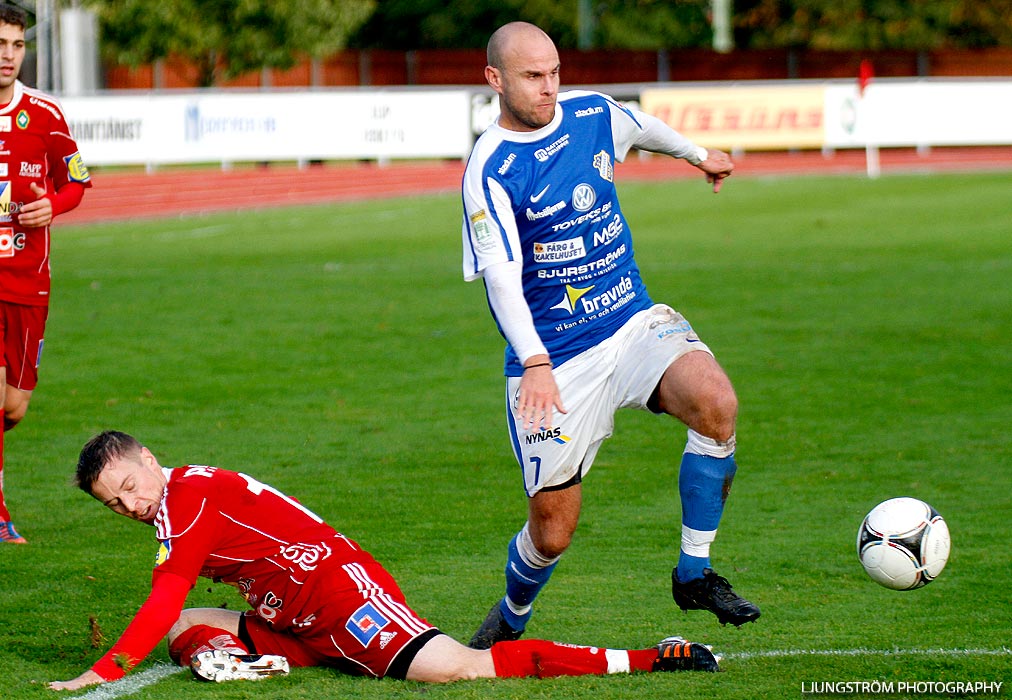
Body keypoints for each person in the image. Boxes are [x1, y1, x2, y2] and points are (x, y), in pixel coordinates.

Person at [459, 22, 760, 649]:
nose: (549, 88)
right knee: (553, 534)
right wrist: (535, 361)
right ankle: (513, 613)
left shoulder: (591, 113)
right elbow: (502, 280)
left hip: (631, 321)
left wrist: (698, 155)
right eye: (533, 77)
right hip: (556, 361)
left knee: (716, 403)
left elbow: (642, 127)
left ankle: (694, 574)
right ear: (495, 80)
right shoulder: (489, 169)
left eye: (555, 72)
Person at [48, 430, 720, 691]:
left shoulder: (186, 501)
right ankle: (266, 657)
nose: (129, 505)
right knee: (188, 626)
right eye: (114, 504)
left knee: (458, 668)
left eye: (130, 487)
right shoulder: (181, 496)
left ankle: (650, 656)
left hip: (343, 598)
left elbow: (164, 593)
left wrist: (103, 673)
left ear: (147, 459)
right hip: (299, 614)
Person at [0, 4, 91, 544]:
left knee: (13, 406)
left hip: (29, 281)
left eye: (14, 45)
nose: (5, 55)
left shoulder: (47, 117)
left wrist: (52, 206)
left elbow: (77, 181)